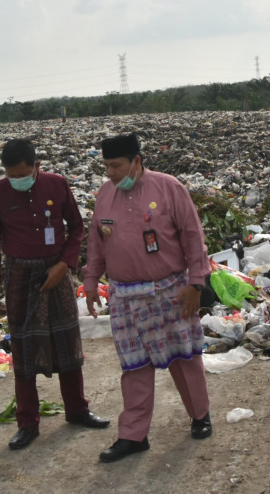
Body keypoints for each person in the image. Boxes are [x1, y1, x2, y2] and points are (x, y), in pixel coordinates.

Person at [84, 133, 213, 463]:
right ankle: (133, 435)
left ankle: (200, 416)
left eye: (116, 165)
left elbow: (192, 237)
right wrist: (90, 282)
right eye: (107, 166)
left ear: (136, 162)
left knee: (185, 359)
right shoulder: (104, 195)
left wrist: (196, 284)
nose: (111, 173)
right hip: (125, 297)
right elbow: (97, 244)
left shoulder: (170, 188)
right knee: (134, 366)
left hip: (171, 292)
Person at [0, 139, 109, 450]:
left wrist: (65, 264)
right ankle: (27, 423)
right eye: (11, 175)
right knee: (24, 348)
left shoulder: (57, 185)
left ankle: (77, 410)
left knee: (66, 341)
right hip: (19, 275)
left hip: (56, 270)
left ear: (37, 166)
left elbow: (77, 228)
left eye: (23, 174)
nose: (17, 180)